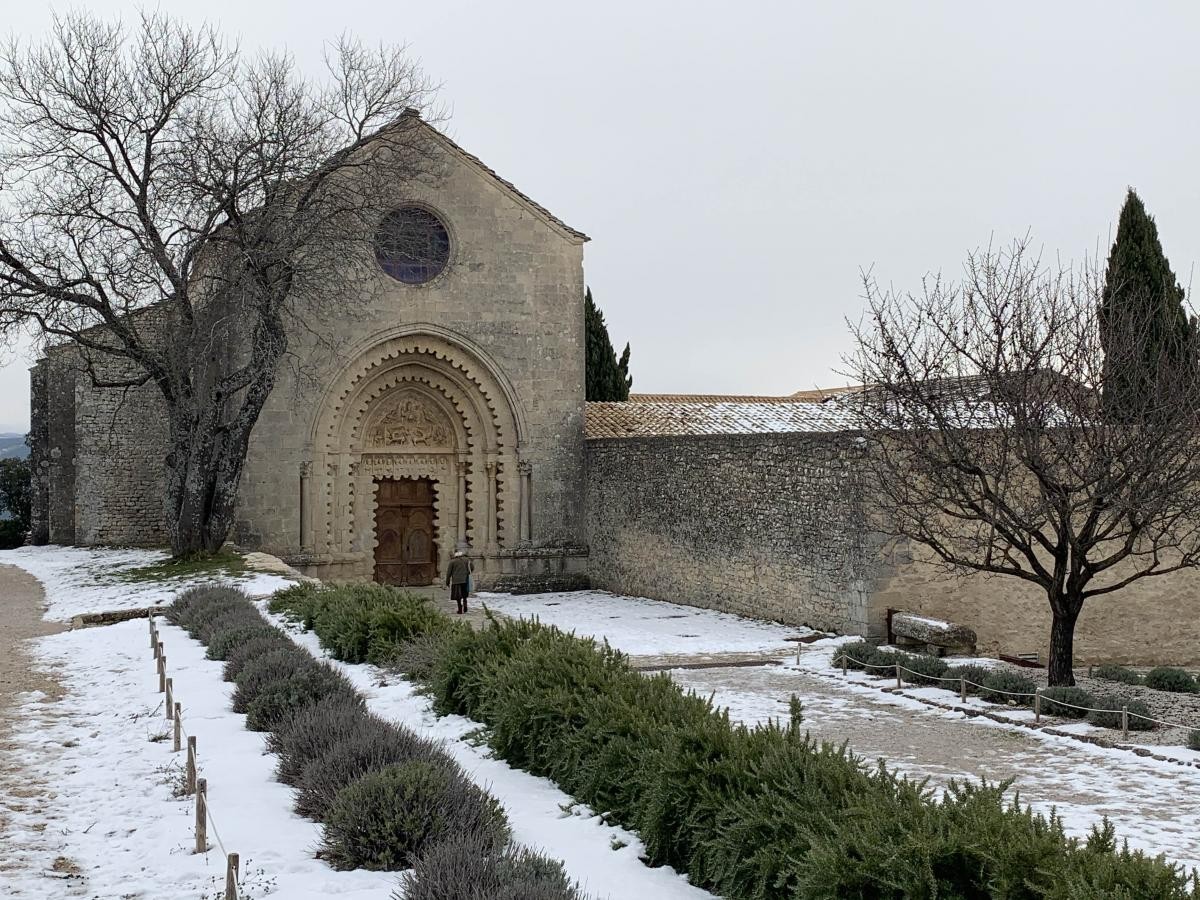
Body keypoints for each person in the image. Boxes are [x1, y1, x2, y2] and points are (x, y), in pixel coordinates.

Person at [445, 550, 473, 614]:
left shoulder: (452, 562)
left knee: (458, 596)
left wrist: (447, 582)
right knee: (464, 594)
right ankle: (465, 605)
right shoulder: (467, 560)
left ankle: (460, 609)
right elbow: (472, 567)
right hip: (465, 580)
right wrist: (467, 573)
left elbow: (448, 573)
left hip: (456, 581)